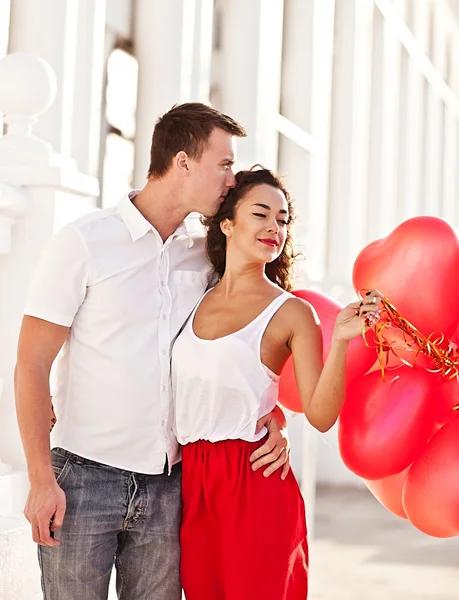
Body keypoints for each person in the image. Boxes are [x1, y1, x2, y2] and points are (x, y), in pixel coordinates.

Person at [14, 103, 291, 600]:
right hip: (82, 480)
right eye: (224, 164)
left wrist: (273, 415)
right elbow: (31, 363)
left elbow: (241, 342)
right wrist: (39, 481)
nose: (232, 180)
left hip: (170, 486)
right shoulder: (84, 243)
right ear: (183, 162)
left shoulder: (207, 256)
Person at [172, 167, 382, 600]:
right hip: (190, 484)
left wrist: (340, 342)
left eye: (283, 220)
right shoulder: (191, 294)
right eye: (261, 214)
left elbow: (322, 417)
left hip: (254, 484)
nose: (274, 227)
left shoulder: (291, 313)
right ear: (226, 223)